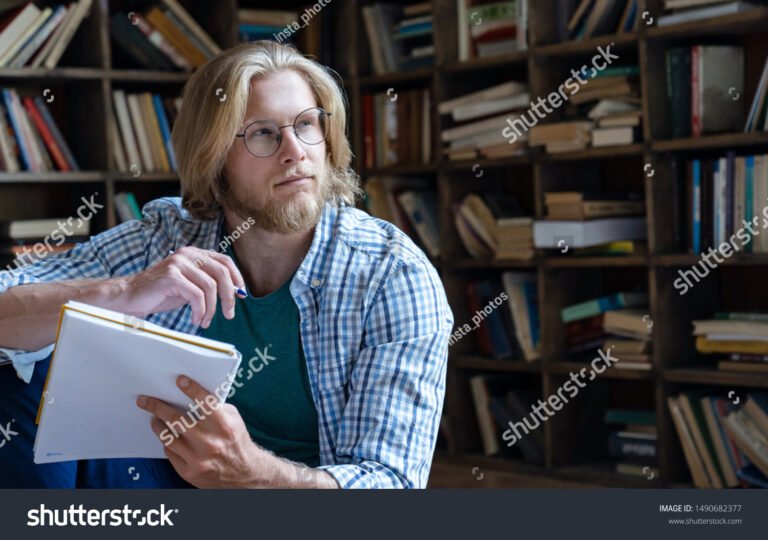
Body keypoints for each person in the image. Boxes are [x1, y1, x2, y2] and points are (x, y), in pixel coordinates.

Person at [0, 41, 452, 489]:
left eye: (307, 125)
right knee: (23, 366)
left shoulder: (392, 275)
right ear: (214, 161)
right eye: (262, 133)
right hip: (159, 485)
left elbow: (391, 486)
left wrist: (251, 474)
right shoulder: (167, 236)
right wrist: (123, 293)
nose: (296, 151)